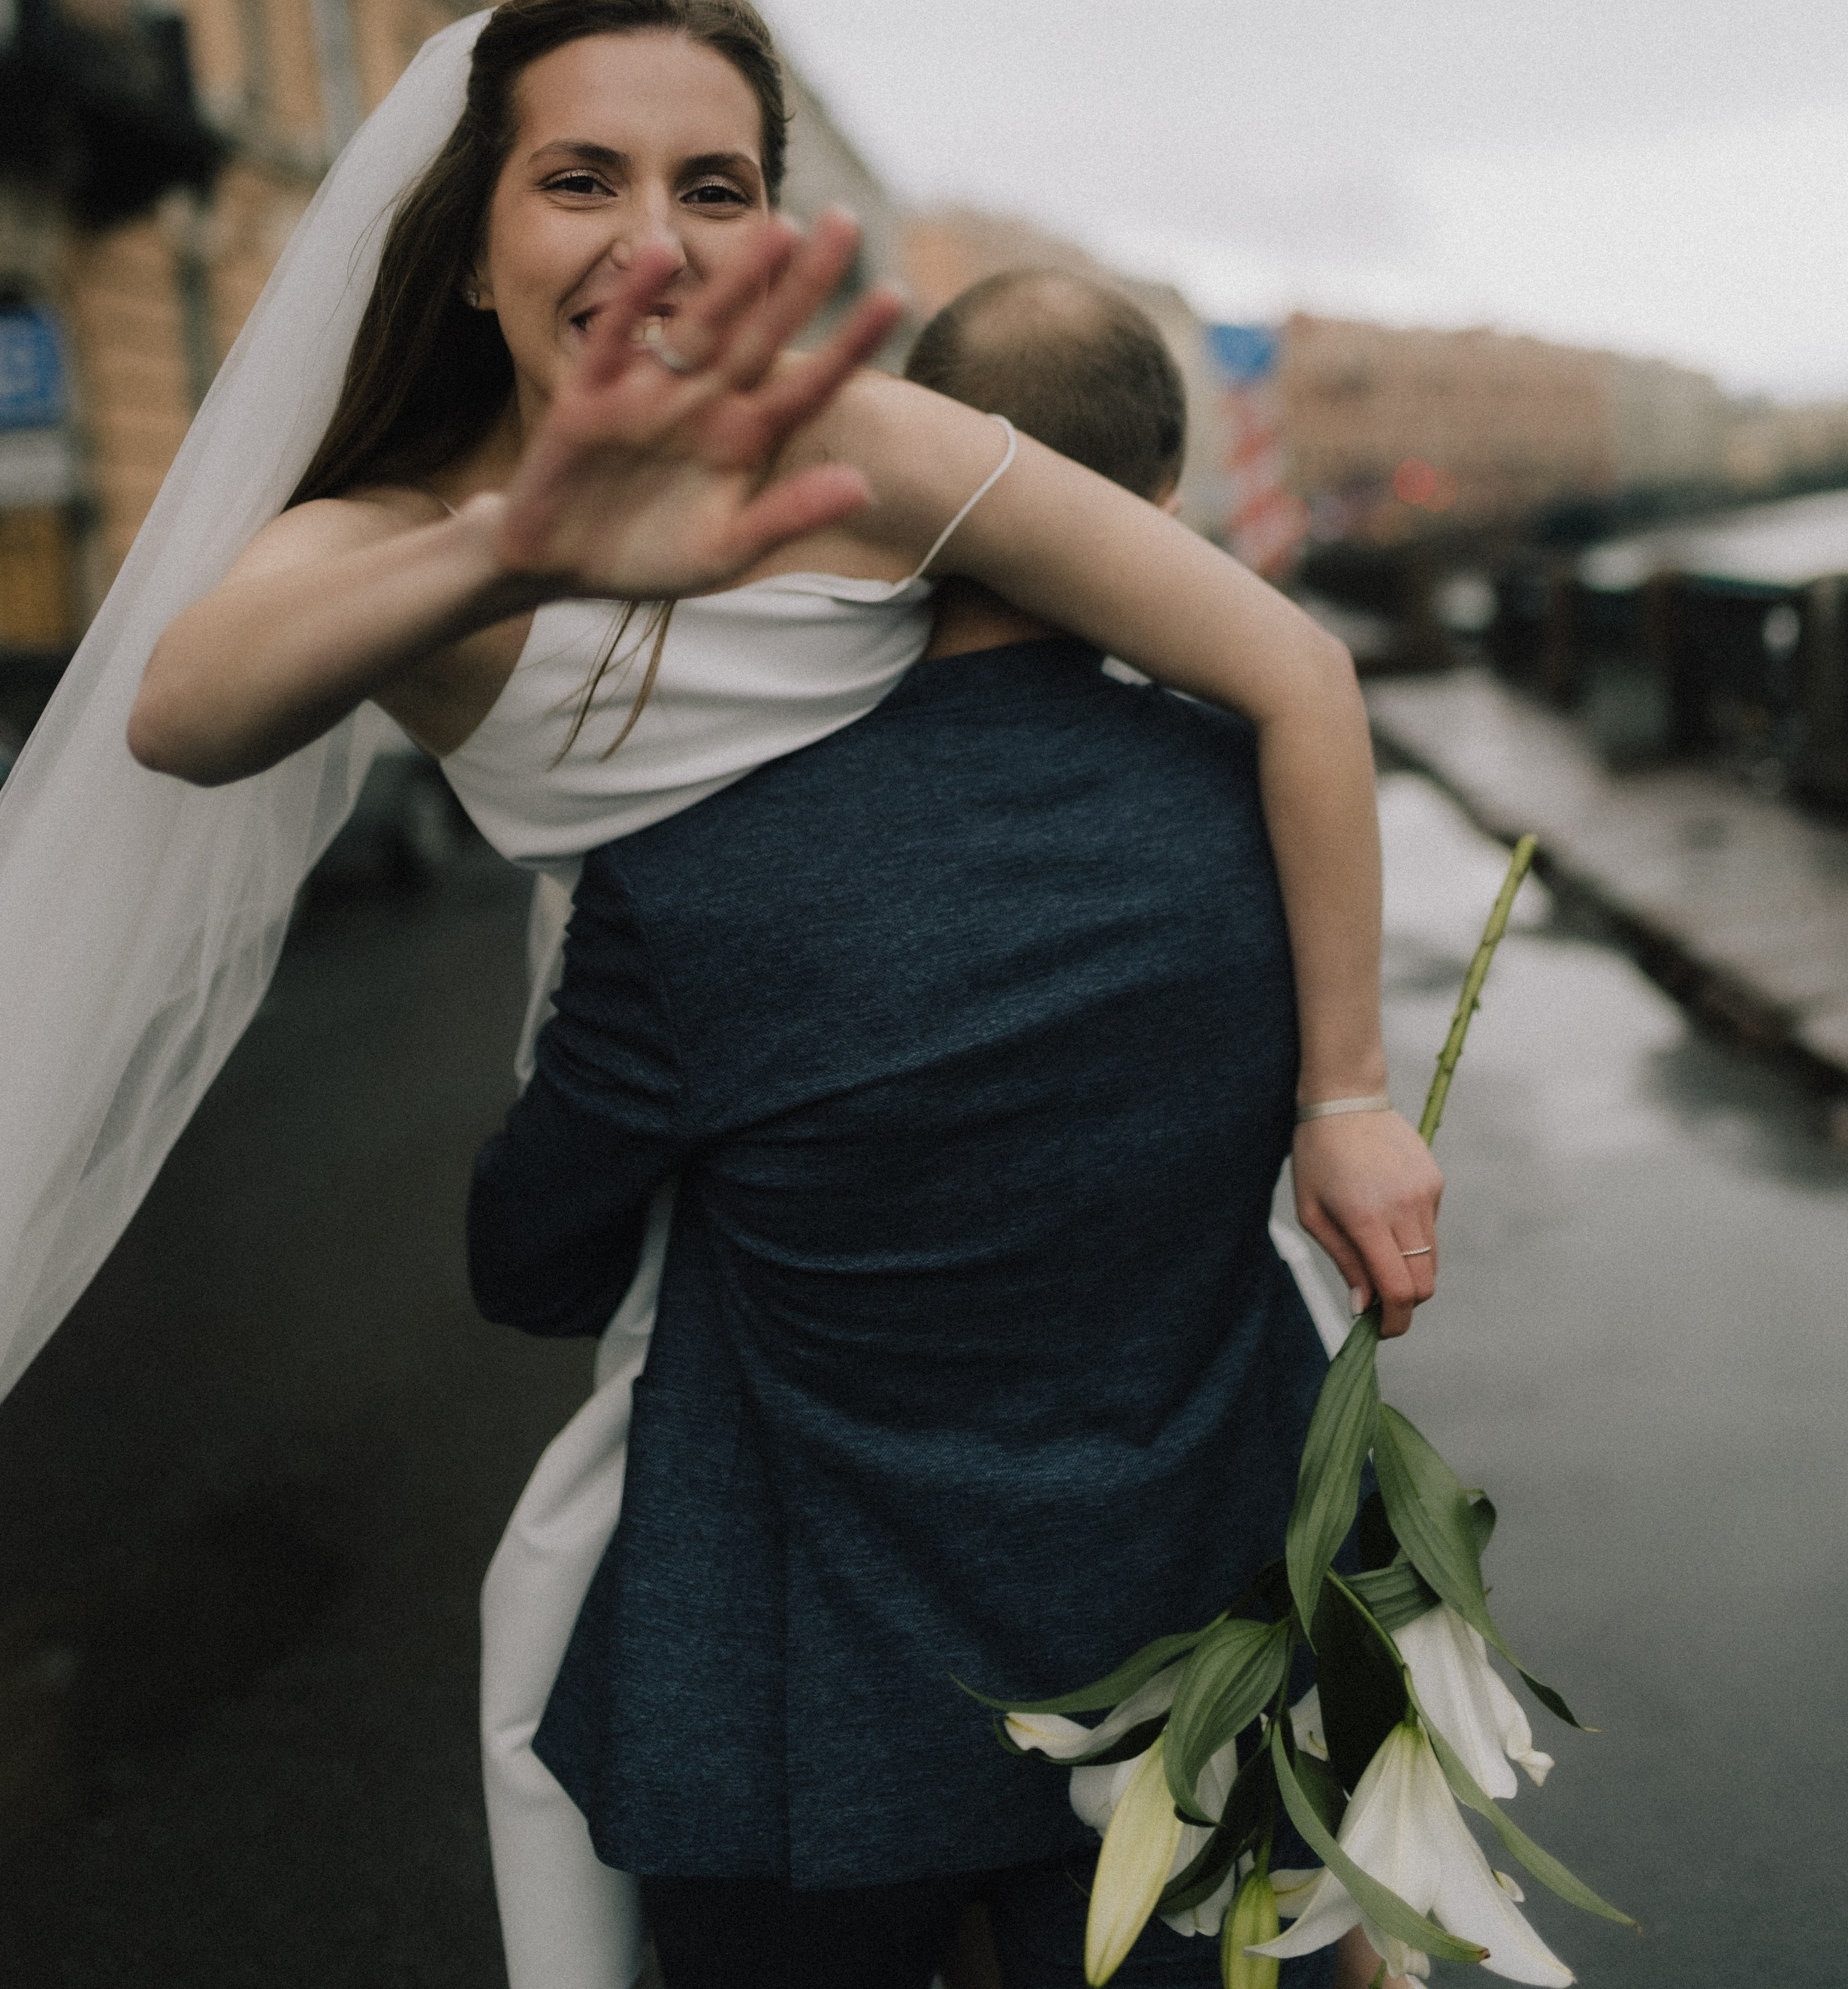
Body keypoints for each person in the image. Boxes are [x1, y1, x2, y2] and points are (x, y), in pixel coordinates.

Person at [0, 0, 1434, 1970]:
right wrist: (521, 544)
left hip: (872, 1066)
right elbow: (185, 711)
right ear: (479, 246)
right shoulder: (398, 533)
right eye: (581, 179)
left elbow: (1283, 663)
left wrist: (1348, 1097)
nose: (655, 242)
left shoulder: (854, 430)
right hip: (701, 1097)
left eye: (718, 186)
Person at [465, 268, 1352, 1989]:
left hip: (801, 1705)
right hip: (1191, 1655)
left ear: (898, 476)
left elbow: (530, 1265)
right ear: (1154, 510)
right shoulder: (1267, 811)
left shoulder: (698, 845)